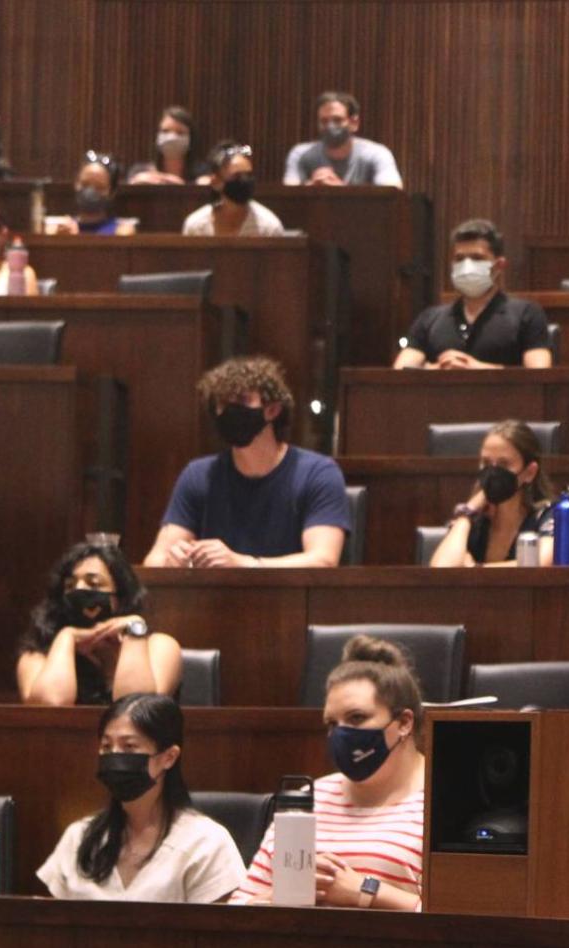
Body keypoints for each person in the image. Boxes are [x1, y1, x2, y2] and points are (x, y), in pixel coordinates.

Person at [233, 636, 427, 909]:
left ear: (404, 722)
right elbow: (238, 907)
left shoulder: (442, 803)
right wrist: (287, 893)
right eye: (332, 723)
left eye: (357, 718)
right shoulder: (307, 800)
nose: (341, 734)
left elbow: (466, 919)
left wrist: (366, 891)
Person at [144, 356, 351, 568]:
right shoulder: (198, 475)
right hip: (212, 600)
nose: (229, 411)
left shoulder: (317, 473)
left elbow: (323, 560)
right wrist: (172, 559)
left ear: (272, 410)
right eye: (223, 403)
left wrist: (244, 563)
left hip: (289, 600)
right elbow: (154, 560)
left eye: (242, 401)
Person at [39, 694, 245, 902]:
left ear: (169, 757)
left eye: (129, 747)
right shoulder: (79, 836)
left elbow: (218, 929)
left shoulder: (206, 843)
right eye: (107, 747)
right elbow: (52, 925)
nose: (115, 757)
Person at [17, 540, 183, 706]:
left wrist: (134, 629)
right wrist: (66, 637)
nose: (79, 590)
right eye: (70, 585)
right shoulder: (37, 657)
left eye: (94, 584)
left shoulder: (160, 646)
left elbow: (135, 707)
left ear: (120, 596)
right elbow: (52, 704)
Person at [393, 219, 553, 369]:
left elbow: (539, 374)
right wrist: (439, 369)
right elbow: (401, 371)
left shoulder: (527, 314)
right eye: (459, 258)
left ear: (499, 265)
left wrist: (478, 369)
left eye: (477, 258)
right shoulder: (429, 319)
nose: (466, 265)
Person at [429, 420, 555, 567]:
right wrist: (466, 513)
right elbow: (442, 569)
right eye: (486, 463)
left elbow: (542, 563)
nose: (493, 472)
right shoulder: (473, 521)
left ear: (529, 472)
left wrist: (475, 569)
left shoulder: (548, 515)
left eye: (504, 464)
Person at [282, 90, 402, 187]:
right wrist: (312, 187)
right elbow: (288, 195)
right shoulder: (301, 154)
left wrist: (341, 190)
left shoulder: (376, 154)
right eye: (324, 121)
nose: (330, 126)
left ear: (354, 123)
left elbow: (392, 192)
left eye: (337, 120)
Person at [181, 141, 285, 237]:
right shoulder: (195, 226)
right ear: (216, 182)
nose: (245, 180)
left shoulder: (269, 227)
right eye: (237, 176)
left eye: (248, 175)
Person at [48, 152, 134, 236]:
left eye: (99, 187)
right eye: (85, 184)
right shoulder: (58, 230)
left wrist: (75, 239)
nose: (90, 191)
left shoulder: (121, 231)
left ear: (111, 192)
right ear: (76, 184)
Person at [126, 106, 212, 185]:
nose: (172, 137)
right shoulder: (139, 171)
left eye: (180, 132)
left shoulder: (203, 172)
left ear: (191, 140)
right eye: (165, 131)